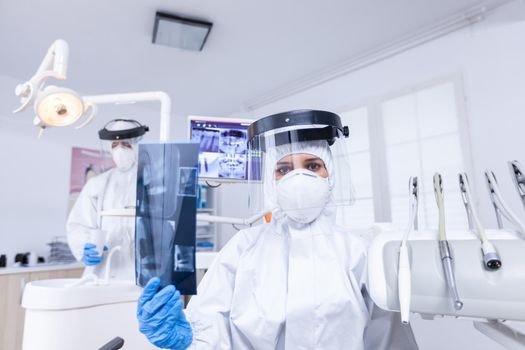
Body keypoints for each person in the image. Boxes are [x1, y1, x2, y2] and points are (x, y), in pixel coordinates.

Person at [136, 110, 419, 349]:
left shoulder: (359, 252)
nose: (298, 178)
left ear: (330, 173)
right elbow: (212, 323)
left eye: (312, 165)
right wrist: (186, 340)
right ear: (271, 180)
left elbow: (389, 339)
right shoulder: (243, 247)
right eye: (284, 169)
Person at [67, 119, 149, 281]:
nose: (120, 150)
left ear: (137, 145)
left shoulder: (152, 182)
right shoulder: (97, 184)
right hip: (102, 272)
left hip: (142, 274)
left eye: (125, 144)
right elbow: (79, 223)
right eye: (114, 145)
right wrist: (84, 247)